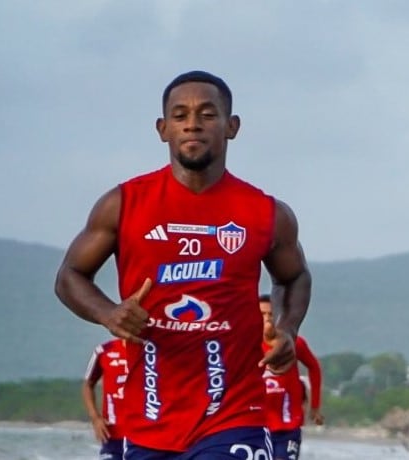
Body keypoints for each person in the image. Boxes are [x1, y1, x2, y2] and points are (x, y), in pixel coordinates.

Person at [55, 70, 312, 459]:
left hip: (234, 413)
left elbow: (293, 277)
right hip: (147, 416)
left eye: (208, 114)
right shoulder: (123, 203)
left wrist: (288, 329)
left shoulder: (266, 213)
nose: (193, 123)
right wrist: (109, 314)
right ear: (163, 129)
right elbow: (69, 276)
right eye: (180, 115)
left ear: (232, 126)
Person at [259, 294, 324, 460]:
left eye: (271, 314)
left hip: (287, 427)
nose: (267, 319)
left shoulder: (293, 343)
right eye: (261, 314)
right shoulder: (247, 344)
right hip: (256, 427)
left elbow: (314, 367)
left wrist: (315, 405)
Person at [82, 338, 128, 460]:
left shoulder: (151, 351)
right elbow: (88, 385)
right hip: (112, 434)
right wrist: (95, 418)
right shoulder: (104, 351)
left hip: (144, 435)